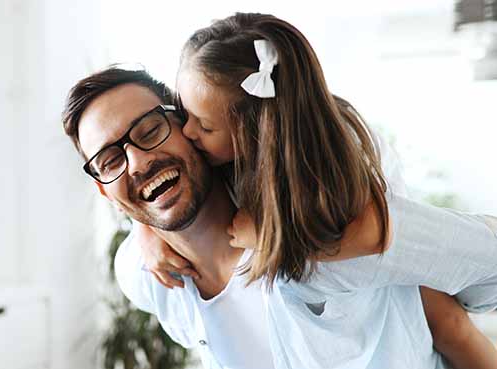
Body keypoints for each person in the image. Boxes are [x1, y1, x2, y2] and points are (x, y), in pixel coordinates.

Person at [134, 12, 497, 369]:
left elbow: (380, 241)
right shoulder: (235, 150)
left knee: (446, 321)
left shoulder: (341, 190)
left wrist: (272, 236)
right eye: (184, 112)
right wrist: (145, 228)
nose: (188, 132)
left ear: (254, 132)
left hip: (403, 294)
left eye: (206, 126)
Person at [61, 66, 464, 369]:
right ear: (103, 190)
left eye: (149, 130)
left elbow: (445, 312)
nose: (137, 163)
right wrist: (143, 223)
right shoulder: (145, 278)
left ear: (191, 127)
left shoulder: (318, 227)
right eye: (110, 159)